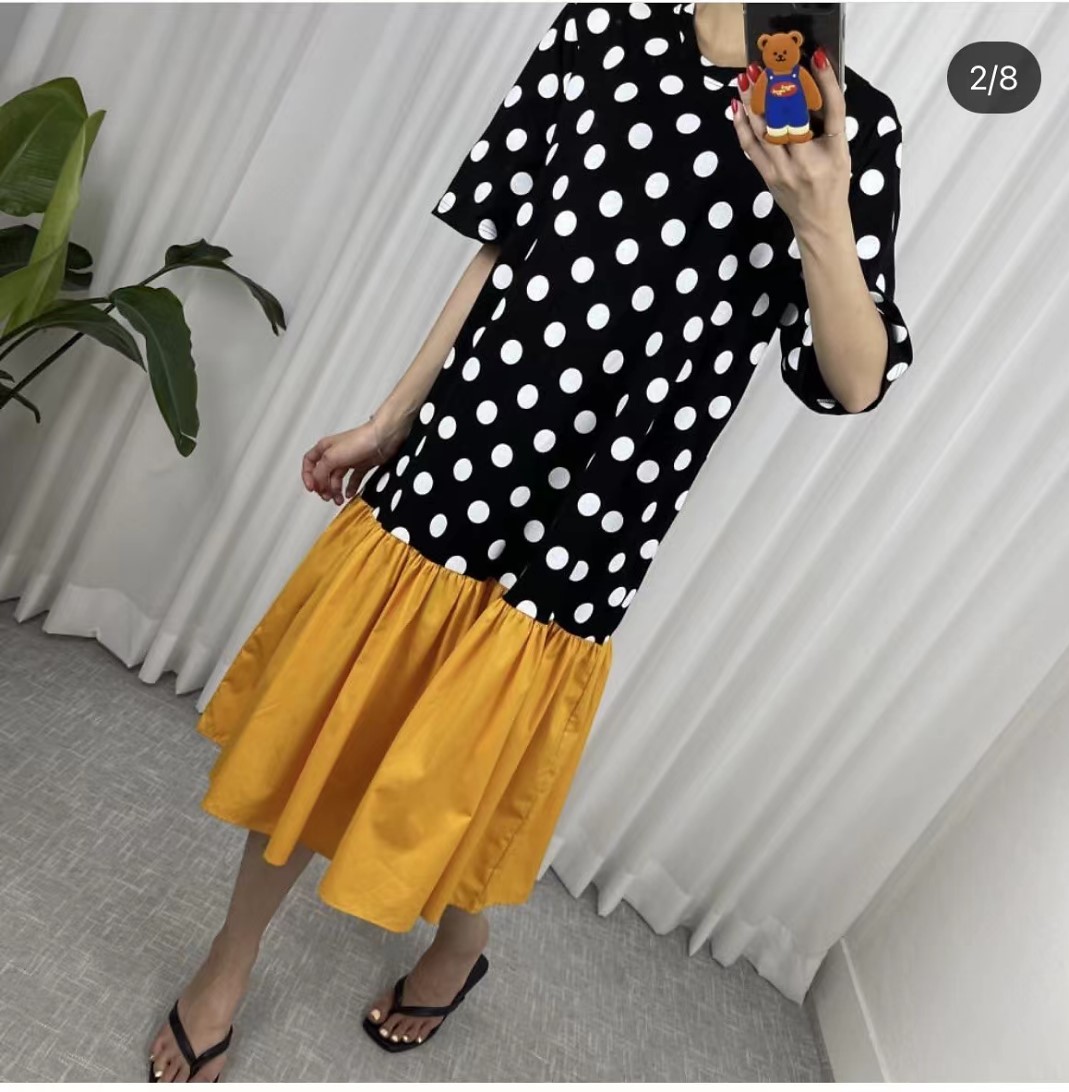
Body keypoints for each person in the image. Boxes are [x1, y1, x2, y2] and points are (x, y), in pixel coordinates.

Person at [147, 0, 915, 1080]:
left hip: (602, 510)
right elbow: (502, 247)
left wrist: (822, 214)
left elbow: (853, 379)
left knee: (468, 757)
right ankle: (229, 962)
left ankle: (460, 943)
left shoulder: (850, 124)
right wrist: (390, 419)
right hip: (468, 443)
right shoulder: (599, 29)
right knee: (340, 708)